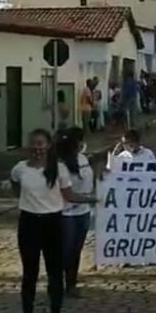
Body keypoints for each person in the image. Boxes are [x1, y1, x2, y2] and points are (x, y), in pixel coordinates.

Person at [10, 128, 94, 313]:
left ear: (48, 146)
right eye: (33, 144)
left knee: (54, 273)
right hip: (29, 222)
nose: (37, 148)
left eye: (41, 144)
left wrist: (93, 199)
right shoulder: (20, 169)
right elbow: (15, 186)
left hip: (53, 222)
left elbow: (69, 195)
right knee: (30, 273)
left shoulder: (59, 169)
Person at [56, 127, 94, 297]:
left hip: (83, 212)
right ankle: (58, 282)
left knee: (76, 250)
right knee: (66, 249)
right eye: (79, 140)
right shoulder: (60, 164)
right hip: (66, 212)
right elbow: (68, 194)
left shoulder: (83, 158)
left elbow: (90, 180)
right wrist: (92, 200)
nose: (82, 144)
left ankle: (71, 283)